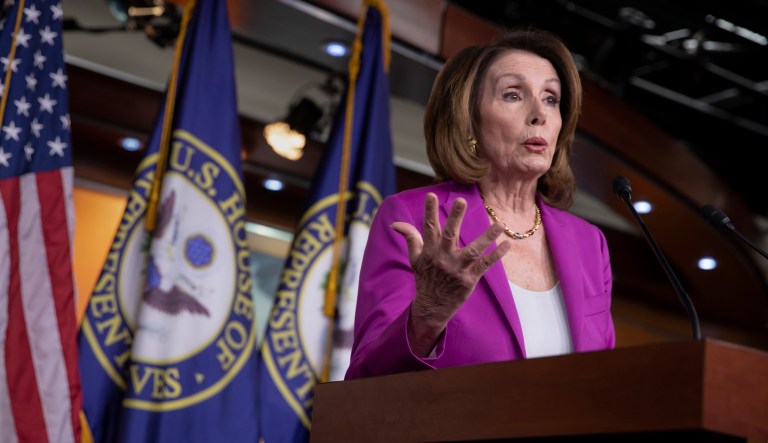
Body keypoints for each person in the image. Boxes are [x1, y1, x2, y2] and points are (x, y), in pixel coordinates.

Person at [345, 28, 615, 379]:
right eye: (513, 95)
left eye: (551, 98)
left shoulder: (589, 244)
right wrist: (428, 314)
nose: (540, 114)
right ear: (469, 120)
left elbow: (603, 380)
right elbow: (366, 382)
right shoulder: (413, 217)